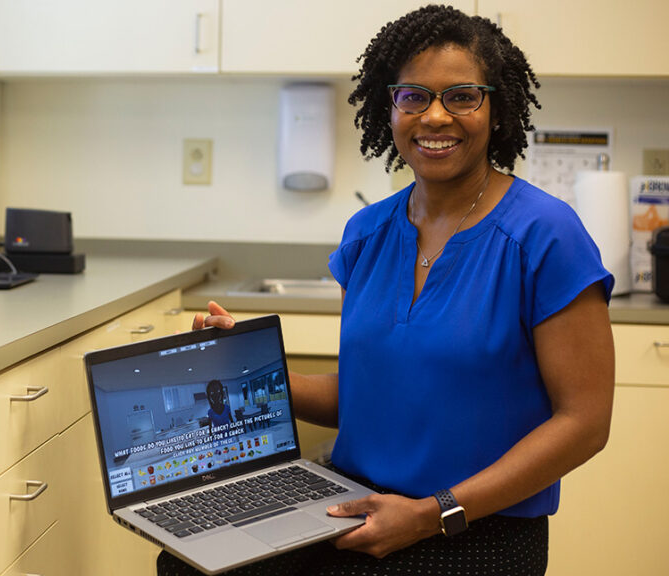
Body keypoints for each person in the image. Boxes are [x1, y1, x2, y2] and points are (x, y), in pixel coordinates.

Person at [158, 5, 614, 575]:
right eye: (414, 97)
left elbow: (585, 422)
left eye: (462, 96)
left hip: (475, 525)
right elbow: (366, 394)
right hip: (352, 503)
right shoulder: (367, 233)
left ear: (495, 109)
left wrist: (433, 513)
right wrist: (246, 369)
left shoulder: (545, 234)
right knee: (185, 564)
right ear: (391, 106)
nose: (436, 116)